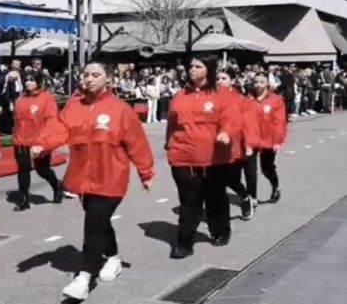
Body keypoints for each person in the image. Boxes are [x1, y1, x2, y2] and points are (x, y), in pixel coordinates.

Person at [31, 62, 155, 300]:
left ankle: (85, 276)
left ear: (108, 78)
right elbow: (60, 128)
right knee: (99, 221)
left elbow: (137, 143)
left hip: (111, 178)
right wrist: (43, 144)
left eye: (95, 75)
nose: (89, 79)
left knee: (94, 222)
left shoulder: (120, 110)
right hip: (82, 178)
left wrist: (146, 172)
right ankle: (113, 257)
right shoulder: (74, 106)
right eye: (86, 75)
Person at [166, 54, 240, 260]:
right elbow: (172, 124)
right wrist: (169, 144)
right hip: (183, 157)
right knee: (189, 202)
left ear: (209, 69)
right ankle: (184, 242)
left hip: (214, 158)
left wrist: (226, 132)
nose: (192, 70)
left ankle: (220, 231)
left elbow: (232, 118)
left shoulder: (222, 95)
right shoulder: (180, 95)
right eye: (191, 66)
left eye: (198, 66)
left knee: (215, 198)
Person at [12, 72, 63, 211]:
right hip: (21, 140)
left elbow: (51, 120)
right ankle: (23, 199)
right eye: (26, 80)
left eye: (32, 80)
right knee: (23, 170)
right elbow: (17, 121)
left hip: (39, 141)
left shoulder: (46, 99)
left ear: (38, 82)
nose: (28, 83)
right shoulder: (20, 100)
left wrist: (43, 142)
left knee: (42, 169)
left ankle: (57, 186)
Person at [217, 68, 259, 220]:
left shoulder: (240, 100)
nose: (220, 81)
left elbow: (249, 124)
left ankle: (246, 197)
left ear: (232, 81)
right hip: (217, 145)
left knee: (231, 178)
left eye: (224, 78)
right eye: (218, 78)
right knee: (220, 178)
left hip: (237, 144)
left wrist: (249, 145)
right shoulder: (211, 99)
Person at [248, 72, 287, 203]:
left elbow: (280, 122)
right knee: (251, 170)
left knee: (266, 168)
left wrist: (278, 141)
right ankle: (251, 198)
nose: (258, 85)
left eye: (261, 82)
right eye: (256, 82)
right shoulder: (248, 98)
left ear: (267, 84)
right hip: (251, 139)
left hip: (268, 139)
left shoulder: (275, 100)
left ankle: (276, 186)